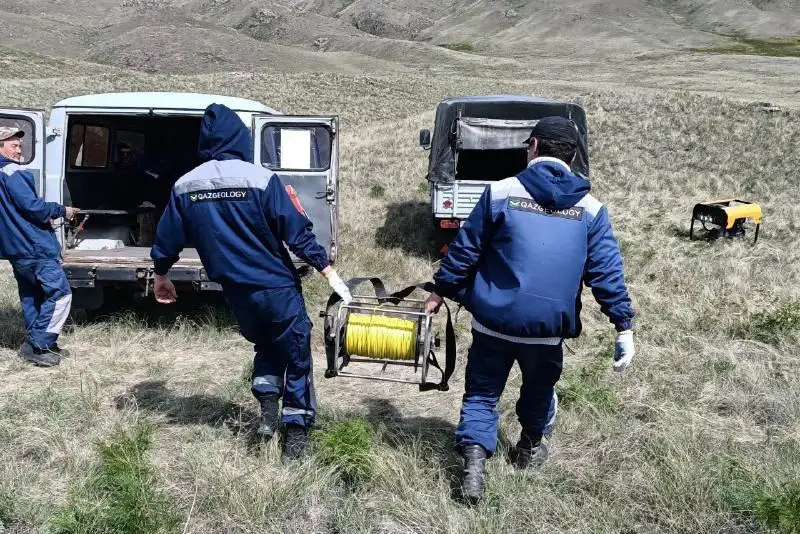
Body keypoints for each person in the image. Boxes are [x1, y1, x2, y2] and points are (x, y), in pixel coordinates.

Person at [424, 116, 636, 502]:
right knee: (539, 390)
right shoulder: (591, 209)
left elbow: (465, 251)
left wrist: (441, 291)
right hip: (548, 331)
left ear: (533, 146)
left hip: (494, 323)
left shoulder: (501, 192)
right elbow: (606, 272)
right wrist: (623, 325)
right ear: (572, 157)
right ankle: (528, 448)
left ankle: (474, 464)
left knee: (482, 395)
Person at [149, 104, 352, 462]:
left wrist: (161, 274)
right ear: (240, 138)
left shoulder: (185, 185)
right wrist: (328, 270)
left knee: (265, 343)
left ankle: (268, 411)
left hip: (235, 293)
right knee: (297, 353)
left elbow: (166, 240)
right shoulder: (260, 179)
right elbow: (296, 231)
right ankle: (297, 435)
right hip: (275, 287)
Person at [0, 126, 79, 366]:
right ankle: (40, 344)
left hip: (14, 248)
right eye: (13, 145)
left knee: (31, 295)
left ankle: (39, 344)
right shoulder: (12, 172)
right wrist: (62, 210)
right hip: (34, 245)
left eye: (19, 145)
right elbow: (33, 207)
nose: (19, 149)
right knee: (60, 294)